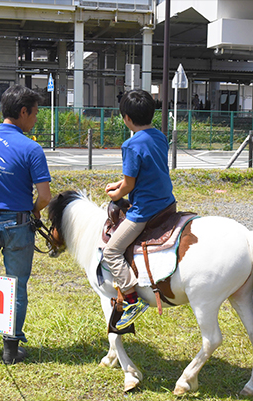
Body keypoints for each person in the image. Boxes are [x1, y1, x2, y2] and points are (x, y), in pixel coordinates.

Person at [0, 85, 52, 364]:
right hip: (17, 225)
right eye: (35, 113)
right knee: (16, 285)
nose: (36, 119)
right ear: (23, 111)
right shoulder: (32, 148)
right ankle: (11, 348)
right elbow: (44, 197)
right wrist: (34, 212)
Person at [103, 89, 176, 330]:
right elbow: (147, 172)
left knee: (111, 252)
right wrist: (121, 185)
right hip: (167, 203)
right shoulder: (159, 136)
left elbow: (130, 184)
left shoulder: (131, 145)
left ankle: (132, 299)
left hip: (145, 210)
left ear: (126, 118)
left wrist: (116, 193)